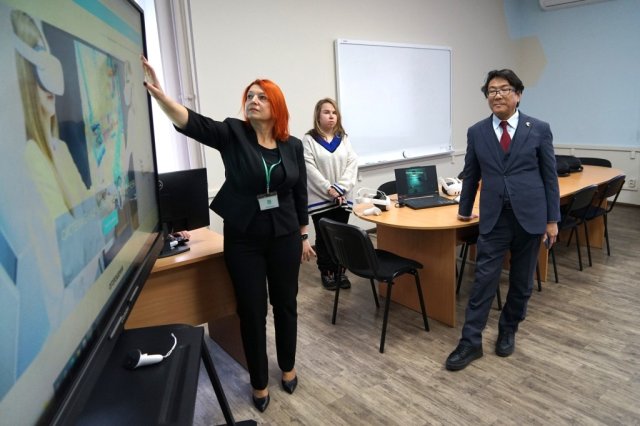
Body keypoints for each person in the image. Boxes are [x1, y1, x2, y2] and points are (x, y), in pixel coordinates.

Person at [141, 56, 315, 412]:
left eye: (261, 96)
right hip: (245, 237)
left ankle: (288, 366)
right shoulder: (233, 134)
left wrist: (303, 235)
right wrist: (160, 96)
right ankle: (259, 381)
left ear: (276, 106)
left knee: (286, 303)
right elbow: (193, 123)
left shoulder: (293, 145)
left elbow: (299, 193)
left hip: (284, 235)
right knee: (251, 310)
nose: (253, 100)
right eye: (249, 96)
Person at [445, 69, 560, 371]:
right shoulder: (477, 132)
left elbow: (549, 177)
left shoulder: (539, 129)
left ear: (518, 95)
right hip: (494, 218)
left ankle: (508, 329)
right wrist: (464, 208)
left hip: (530, 217)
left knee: (521, 282)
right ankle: (470, 342)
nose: (497, 95)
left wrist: (552, 219)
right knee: (484, 280)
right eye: (491, 91)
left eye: (504, 89)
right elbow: (471, 173)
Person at [302, 98, 358, 290]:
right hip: (321, 198)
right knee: (324, 237)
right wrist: (329, 189)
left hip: (342, 197)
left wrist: (340, 188)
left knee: (342, 237)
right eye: (326, 112)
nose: (331, 116)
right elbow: (310, 169)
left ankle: (340, 271)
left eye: (334, 112)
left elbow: (352, 164)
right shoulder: (309, 139)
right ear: (318, 115)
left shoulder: (343, 138)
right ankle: (327, 272)